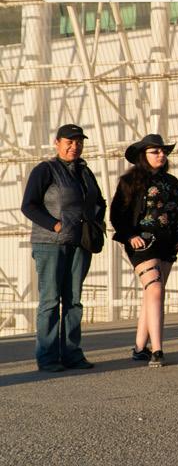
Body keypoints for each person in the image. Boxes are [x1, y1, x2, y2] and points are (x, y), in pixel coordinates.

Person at [20, 123, 106, 372]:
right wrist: (55, 225)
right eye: (69, 142)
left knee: (74, 300)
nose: (74, 146)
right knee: (50, 300)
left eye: (79, 142)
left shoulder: (85, 172)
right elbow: (28, 205)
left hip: (80, 243)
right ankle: (47, 358)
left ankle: (72, 354)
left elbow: (99, 201)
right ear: (57, 143)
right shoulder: (45, 170)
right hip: (50, 244)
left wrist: (95, 224)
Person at [110, 134, 178, 368]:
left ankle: (140, 347)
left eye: (163, 151)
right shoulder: (130, 181)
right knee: (156, 289)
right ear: (143, 155)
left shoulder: (172, 181)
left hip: (167, 242)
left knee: (153, 294)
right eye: (155, 151)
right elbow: (117, 213)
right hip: (142, 243)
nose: (161, 155)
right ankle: (157, 350)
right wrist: (130, 235)